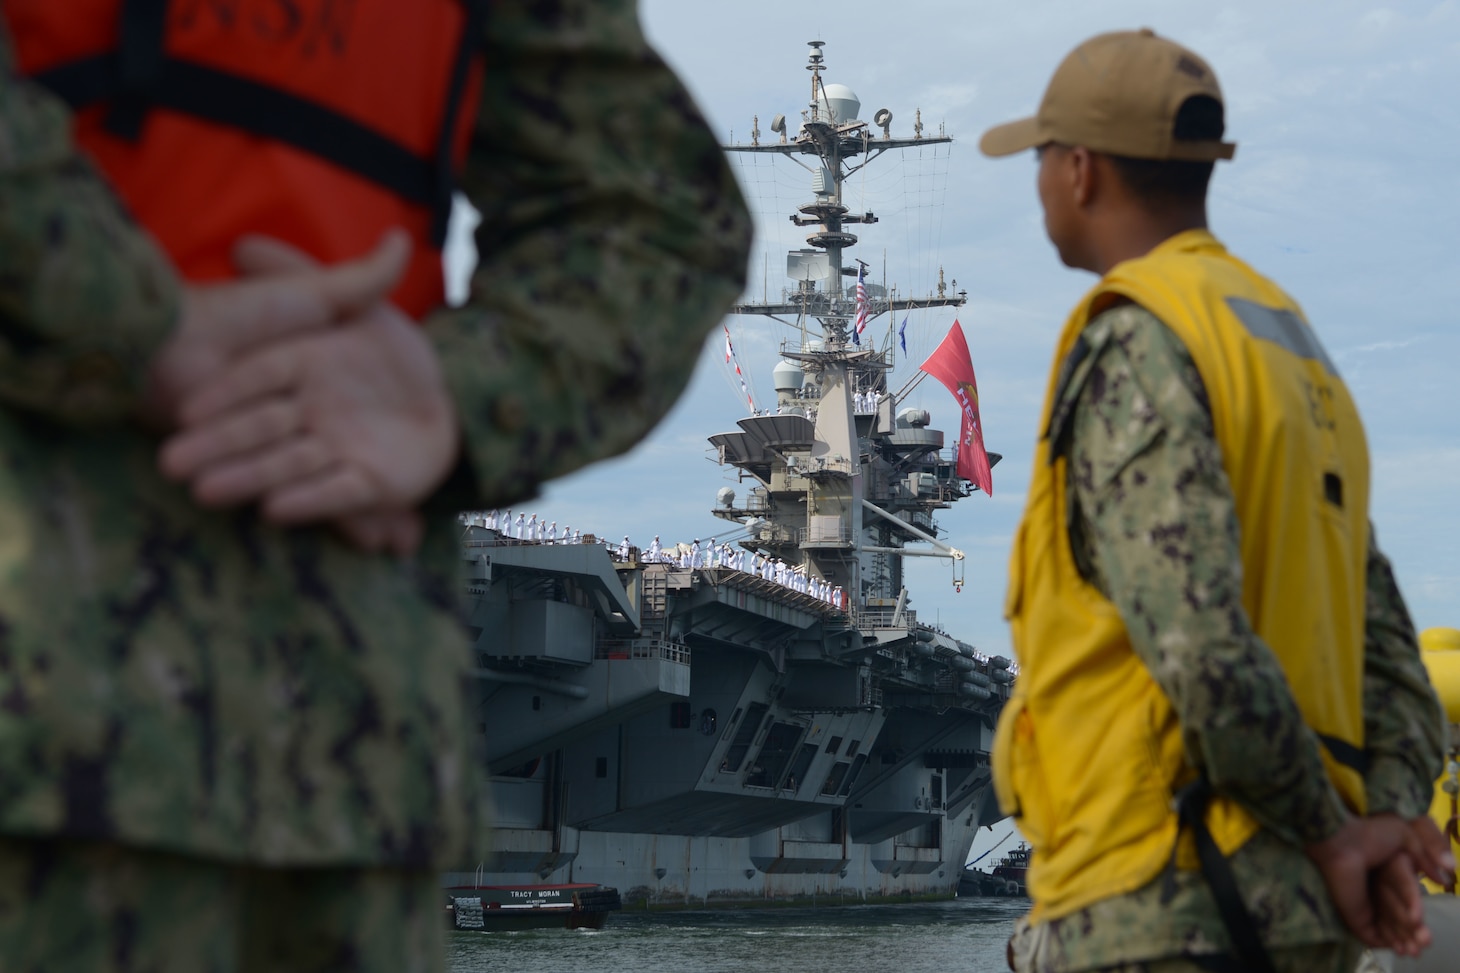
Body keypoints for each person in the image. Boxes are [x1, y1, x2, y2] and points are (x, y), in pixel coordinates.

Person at [0, 2, 751, 971]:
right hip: (362, 776)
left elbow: (663, 214)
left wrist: (449, 392)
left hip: (340, 796)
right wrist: (130, 325)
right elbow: (665, 214)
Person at [980, 29, 1452, 973]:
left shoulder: (1139, 342)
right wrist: (1386, 825)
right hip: (1296, 919)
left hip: (1160, 901)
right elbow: (1393, 659)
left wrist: (1333, 835)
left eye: (1038, 157)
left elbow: (1199, 646)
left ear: (1078, 170)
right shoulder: (1292, 350)